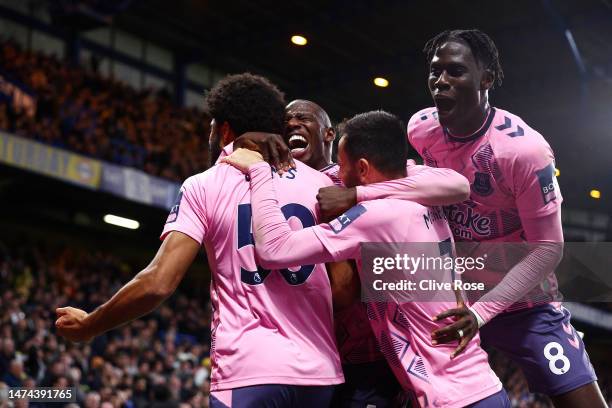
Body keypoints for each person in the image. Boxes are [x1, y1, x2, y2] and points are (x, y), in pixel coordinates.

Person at [318, 29, 606, 408]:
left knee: (583, 402)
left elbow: (548, 249)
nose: (440, 81)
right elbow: (409, 186)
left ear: (486, 79)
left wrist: (481, 312)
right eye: (435, 71)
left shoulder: (525, 152)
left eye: (455, 71)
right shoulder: (421, 129)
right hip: (449, 299)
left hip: (521, 301)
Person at [54, 73, 344, 408]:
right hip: (321, 378)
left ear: (222, 130)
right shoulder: (320, 186)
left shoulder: (205, 184)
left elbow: (157, 283)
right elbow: (343, 289)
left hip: (249, 373)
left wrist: (90, 325)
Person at [222, 110, 511, 408]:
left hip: (452, 398)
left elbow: (274, 250)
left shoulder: (374, 216)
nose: (339, 178)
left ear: (361, 168)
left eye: (343, 168)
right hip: (480, 386)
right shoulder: (424, 197)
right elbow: (451, 183)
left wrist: (259, 172)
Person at [281, 99, 471, 407]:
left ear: (329, 135)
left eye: (302, 117)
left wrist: (356, 194)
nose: (291, 123)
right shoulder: (278, 187)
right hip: (305, 355)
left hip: (368, 356)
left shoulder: (349, 178)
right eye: (284, 120)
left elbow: (456, 184)